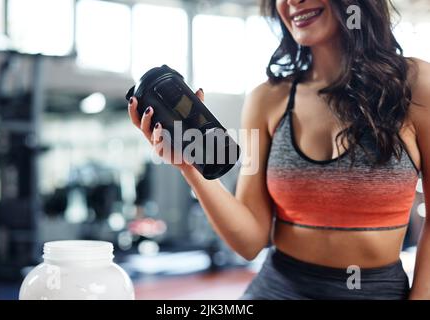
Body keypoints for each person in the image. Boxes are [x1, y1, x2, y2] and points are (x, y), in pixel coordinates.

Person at [128, 0, 430, 300]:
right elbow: (250, 242)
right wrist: (189, 168)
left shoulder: (416, 86)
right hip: (276, 290)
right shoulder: (266, 100)